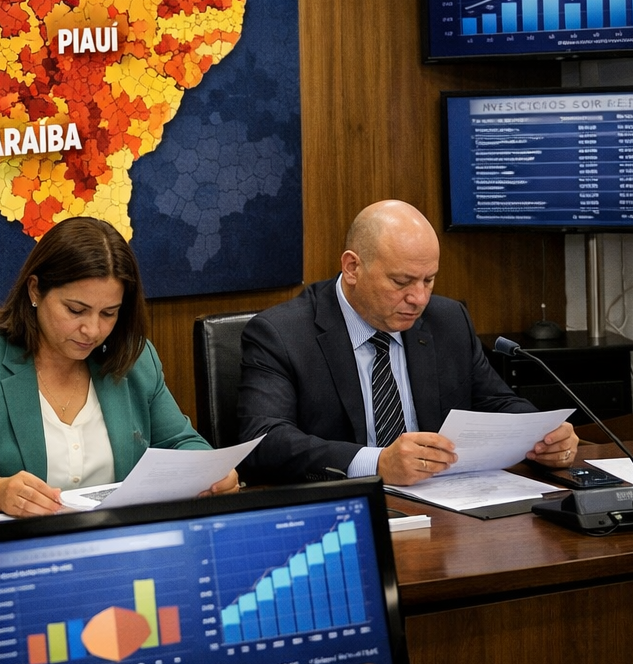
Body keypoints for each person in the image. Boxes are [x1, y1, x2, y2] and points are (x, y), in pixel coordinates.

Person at [0, 216, 239, 518]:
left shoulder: (133, 357)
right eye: (76, 310)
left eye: (109, 313)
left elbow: (181, 443)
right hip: (17, 552)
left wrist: (211, 471)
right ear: (35, 290)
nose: (92, 329)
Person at [236, 199, 578, 485]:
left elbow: (498, 403)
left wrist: (544, 435)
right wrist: (378, 462)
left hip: (444, 503)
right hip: (345, 508)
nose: (419, 298)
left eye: (428, 280)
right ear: (352, 267)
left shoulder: (448, 320)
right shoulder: (281, 334)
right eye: (402, 281)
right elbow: (264, 440)